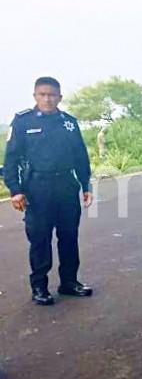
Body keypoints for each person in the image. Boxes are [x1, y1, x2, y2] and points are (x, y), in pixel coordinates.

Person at [3, 77, 94, 306]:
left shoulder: (69, 123)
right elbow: (11, 159)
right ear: (35, 96)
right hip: (37, 188)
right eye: (42, 94)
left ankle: (69, 282)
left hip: (66, 186)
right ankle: (39, 287)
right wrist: (15, 190)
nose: (47, 99)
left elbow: (81, 156)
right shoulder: (23, 121)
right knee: (40, 240)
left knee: (69, 237)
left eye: (52, 95)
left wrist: (86, 185)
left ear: (60, 97)